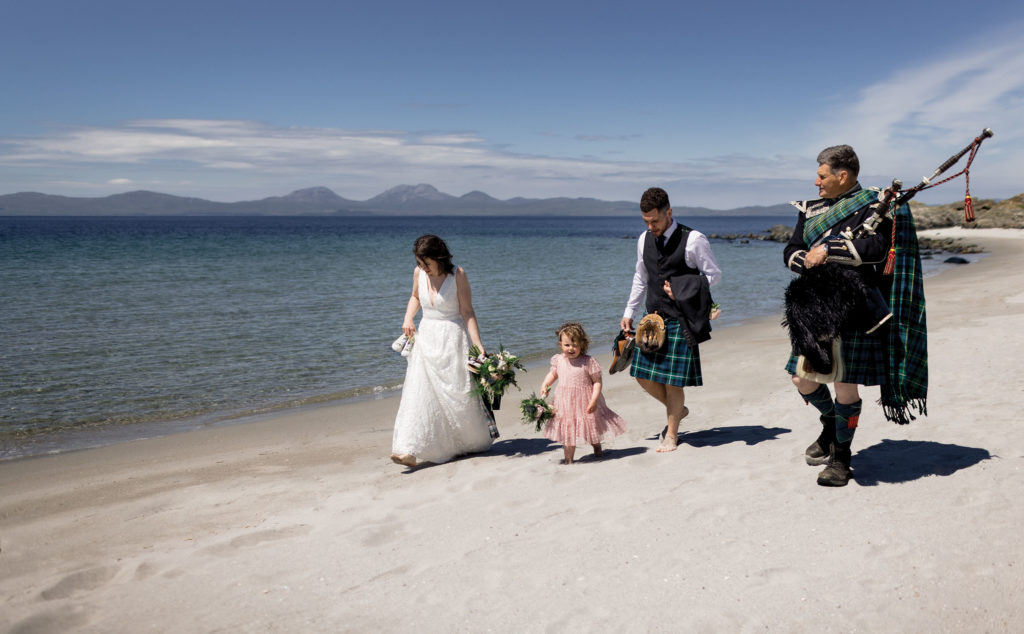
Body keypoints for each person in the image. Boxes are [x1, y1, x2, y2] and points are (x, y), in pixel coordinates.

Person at [783, 145, 927, 487]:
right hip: (813, 305)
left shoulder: (875, 205)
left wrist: (830, 249)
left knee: (844, 384)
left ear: (841, 176)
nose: (815, 182)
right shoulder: (811, 209)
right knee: (802, 379)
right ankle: (832, 425)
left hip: (854, 306)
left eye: (821, 175)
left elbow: (879, 248)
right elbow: (790, 248)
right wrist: (806, 258)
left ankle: (841, 459)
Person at [621, 187, 722, 453]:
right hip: (652, 319)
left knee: (672, 381)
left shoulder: (693, 239)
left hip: (681, 319)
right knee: (640, 374)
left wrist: (683, 286)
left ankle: (672, 434)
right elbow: (640, 277)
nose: (651, 226)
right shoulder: (644, 239)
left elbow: (713, 274)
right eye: (646, 221)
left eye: (655, 220)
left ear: (669, 213)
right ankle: (677, 411)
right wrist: (629, 311)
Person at [390, 235, 494, 467]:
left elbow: (467, 312)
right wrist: (408, 318)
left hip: (452, 340)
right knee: (419, 393)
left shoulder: (458, 275)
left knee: (455, 393)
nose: (422, 268)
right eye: (419, 263)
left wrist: (478, 346)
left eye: (426, 263)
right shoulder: (419, 273)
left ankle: (461, 443)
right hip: (426, 338)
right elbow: (415, 296)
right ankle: (409, 450)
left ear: (439, 258)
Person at [539, 322, 627, 465]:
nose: (571, 348)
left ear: (582, 344)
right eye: (567, 345)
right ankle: (569, 460)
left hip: (585, 400)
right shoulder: (559, 360)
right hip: (564, 401)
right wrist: (545, 385)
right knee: (568, 430)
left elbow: (597, 382)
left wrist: (594, 399)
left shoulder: (588, 362)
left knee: (591, 427)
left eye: (575, 345)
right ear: (560, 344)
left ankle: (597, 448)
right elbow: (553, 374)